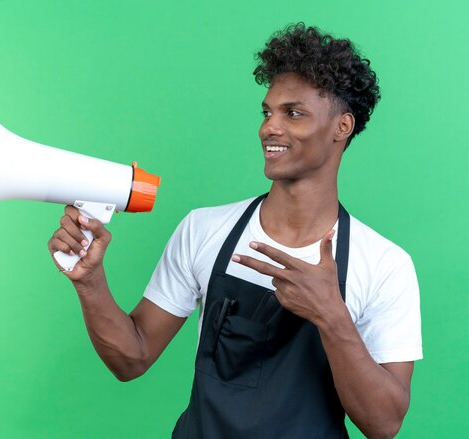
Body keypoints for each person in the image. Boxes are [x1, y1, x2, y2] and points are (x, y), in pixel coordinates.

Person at [48, 23, 422, 439]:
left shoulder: (386, 265)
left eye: (293, 113)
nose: (269, 128)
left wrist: (332, 316)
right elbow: (131, 358)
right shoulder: (204, 229)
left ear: (342, 127)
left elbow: (384, 424)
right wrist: (90, 282)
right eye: (267, 112)